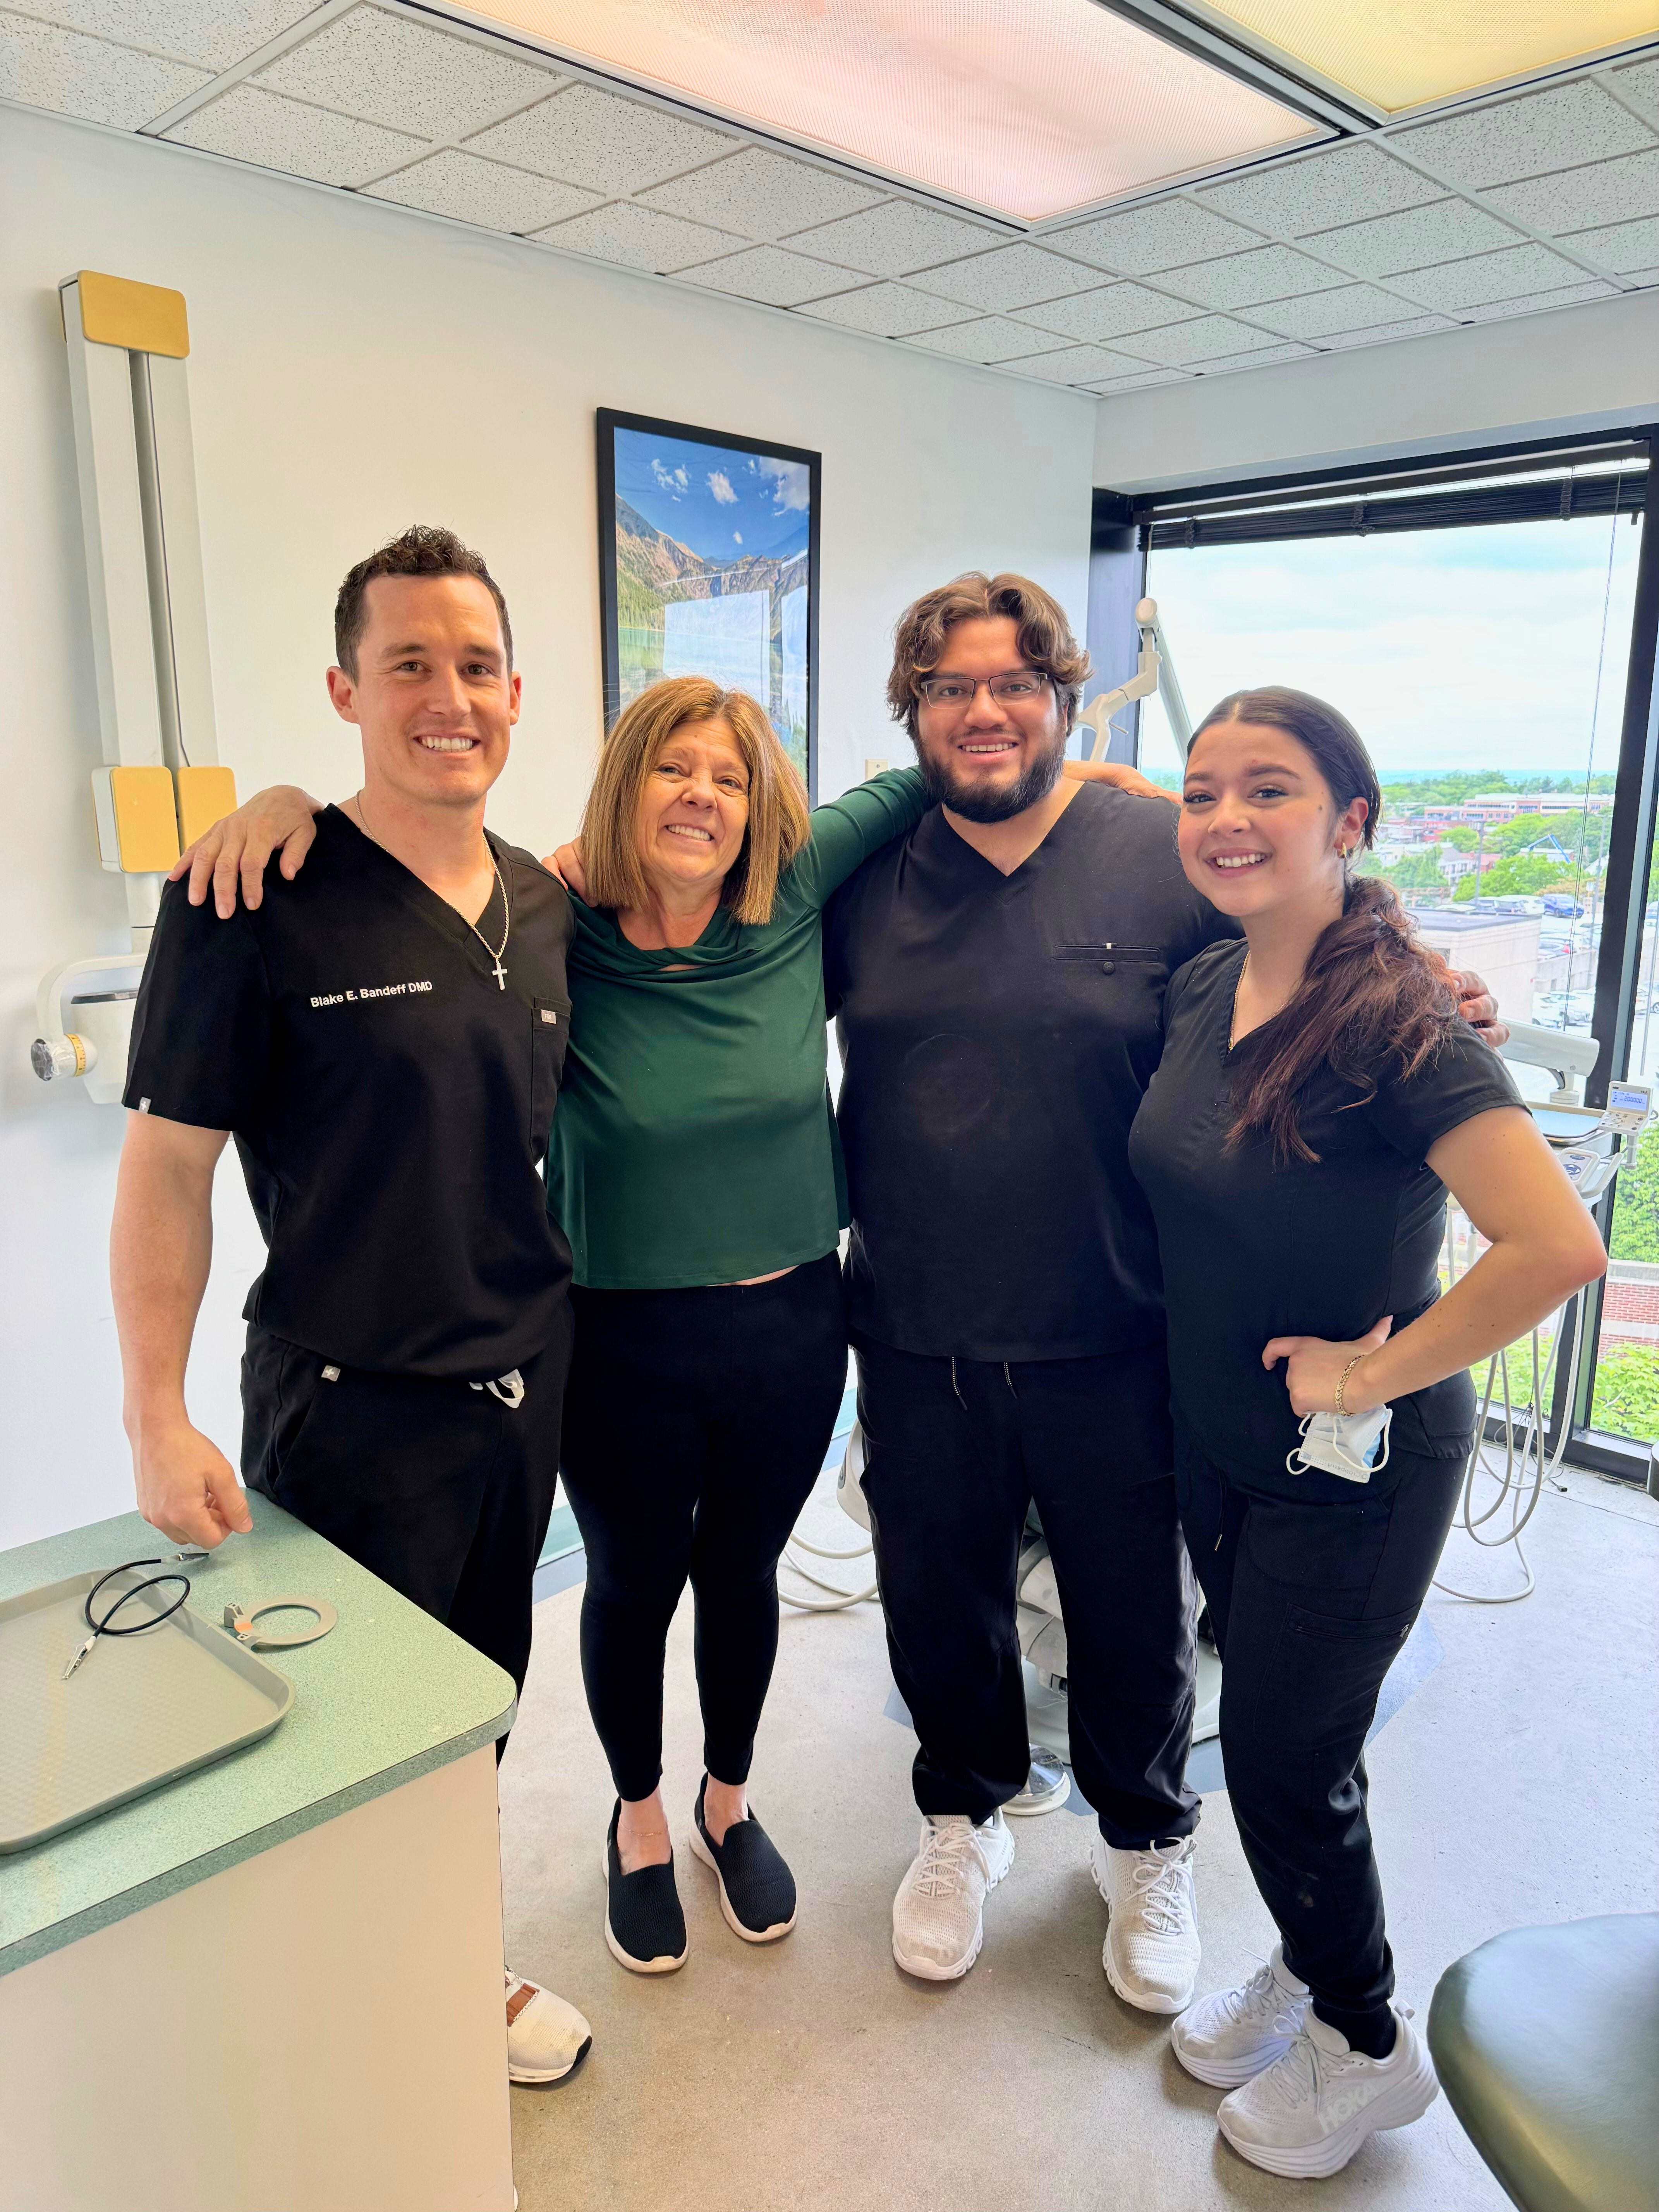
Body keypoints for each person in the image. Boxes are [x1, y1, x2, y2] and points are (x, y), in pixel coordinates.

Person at [823, 573, 1507, 1999]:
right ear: (915, 715)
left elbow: (1304, 937)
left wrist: (1421, 968)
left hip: (1123, 1325)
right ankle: (959, 1817)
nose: (984, 710)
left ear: (1064, 697)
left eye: (1014, 681)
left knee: (1133, 1608)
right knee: (931, 1594)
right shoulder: (865, 871)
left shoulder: (1161, 845)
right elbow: (698, 919)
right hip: (914, 1321)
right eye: (949, 688)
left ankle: (1143, 1839)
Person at [111, 525, 593, 2088]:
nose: (444, 696)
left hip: (523, 1387)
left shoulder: (543, 903)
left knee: (480, 1714)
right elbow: (167, 1171)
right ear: (345, 688)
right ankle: (336, 2024)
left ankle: (449, 1964)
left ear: (516, 693)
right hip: (348, 1406)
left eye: (473, 666)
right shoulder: (251, 893)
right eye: (408, 666)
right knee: (329, 1739)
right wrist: (154, 1411)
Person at [1127, 687, 1604, 2178]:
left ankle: (1363, 2040)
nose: (1221, 818)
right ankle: (1309, 1954)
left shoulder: (1401, 1019)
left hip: (1357, 1471)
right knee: (1288, 1744)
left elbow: (1552, 1247)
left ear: (1349, 824)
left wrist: (1364, 1377)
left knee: (1276, 1759)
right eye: (1198, 791)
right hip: (1221, 1442)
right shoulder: (1210, 981)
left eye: (1266, 790)